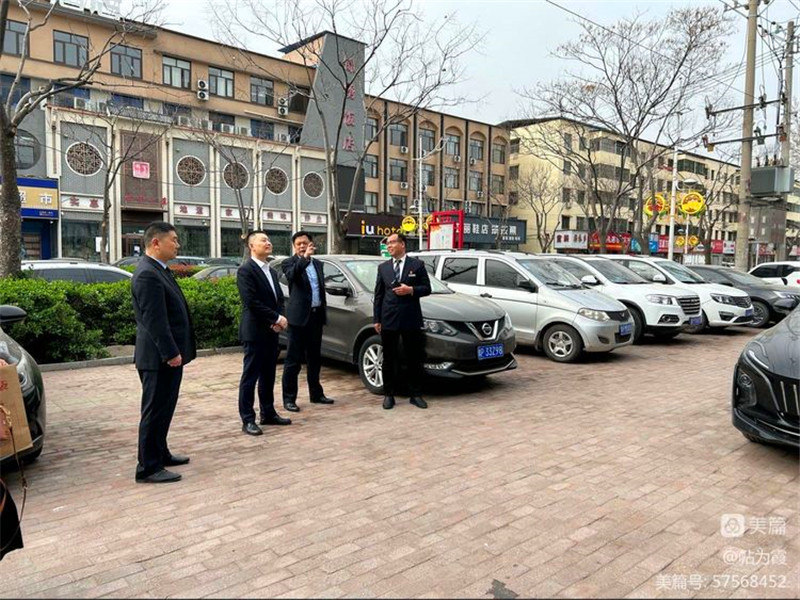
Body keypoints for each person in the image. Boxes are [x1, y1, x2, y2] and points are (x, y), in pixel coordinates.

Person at [131, 222, 196, 484]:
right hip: (158, 358)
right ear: (156, 243)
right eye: (174, 240)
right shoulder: (147, 274)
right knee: (155, 410)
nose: (177, 245)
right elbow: (154, 320)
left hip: (165, 356)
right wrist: (170, 352)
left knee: (164, 408)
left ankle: (160, 453)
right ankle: (148, 467)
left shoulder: (159, 270)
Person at [237, 231, 291, 436]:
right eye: (263, 240)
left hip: (272, 331)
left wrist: (280, 319)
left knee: (268, 375)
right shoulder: (246, 270)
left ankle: (268, 413)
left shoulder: (272, 271)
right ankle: (248, 419)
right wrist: (276, 318)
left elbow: (279, 300)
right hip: (255, 332)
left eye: (268, 240)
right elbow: (251, 302)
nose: (268, 242)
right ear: (252, 246)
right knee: (250, 377)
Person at [373, 232, 431, 410]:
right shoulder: (383, 268)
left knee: (414, 357)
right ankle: (389, 394)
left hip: (410, 318)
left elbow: (427, 288)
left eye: (392, 242)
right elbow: (379, 295)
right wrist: (377, 319)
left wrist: (411, 290)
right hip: (388, 318)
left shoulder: (417, 265)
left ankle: (415, 394)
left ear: (402, 244)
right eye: (387, 244)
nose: (389, 246)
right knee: (389, 358)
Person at [280, 231, 334, 412]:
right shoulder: (289, 263)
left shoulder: (318, 264)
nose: (302, 246)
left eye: (305, 243)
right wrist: (304, 259)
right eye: (298, 244)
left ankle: (316, 394)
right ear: (294, 247)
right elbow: (292, 276)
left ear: (311, 244)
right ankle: (289, 399)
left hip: (316, 316)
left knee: (314, 358)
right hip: (298, 319)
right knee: (293, 360)